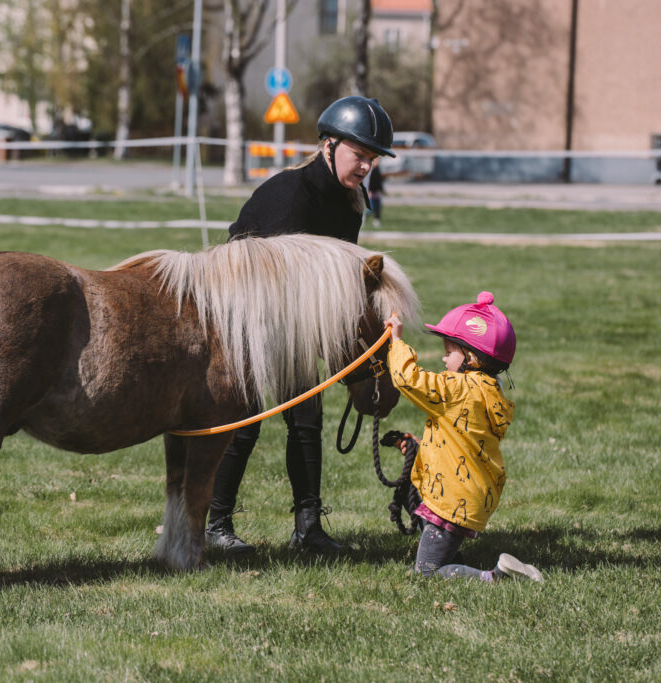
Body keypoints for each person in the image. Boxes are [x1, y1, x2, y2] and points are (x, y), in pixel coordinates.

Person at [205, 96, 395, 554]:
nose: (367, 165)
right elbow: (269, 275)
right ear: (329, 146)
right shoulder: (288, 194)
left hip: (299, 319)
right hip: (248, 313)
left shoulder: (353, 202)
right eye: (360, 154)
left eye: (372, 158)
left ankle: (308, 528)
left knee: (307, 419)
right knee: (246, 421)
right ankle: (216, 525)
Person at [382, 292, 543, 582]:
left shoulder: (457, 389)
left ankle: (496, 577)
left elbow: (408, 379)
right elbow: (459, 439)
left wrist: (396, 342)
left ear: (469, 356)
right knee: (431, 535)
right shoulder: (489, 392)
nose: (444, 358)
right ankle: (451, 557)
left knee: (427, 573)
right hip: (471, 494)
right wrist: (420, 448)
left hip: (452, 498)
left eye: (449, 351)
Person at [367, 157, 385, 227]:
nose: (378, 162)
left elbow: (379, 183)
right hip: (371, 193)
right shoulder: (370, 171)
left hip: (377, 193)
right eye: (376, 161)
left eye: (378, 161)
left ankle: (376, 221)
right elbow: (368, 183)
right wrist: (368, 192)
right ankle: (364, 218)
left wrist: (382, 190)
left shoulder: (378, 170)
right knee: (371, 209)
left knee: (378, 208)